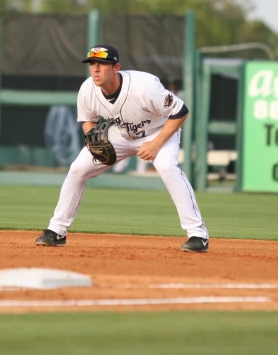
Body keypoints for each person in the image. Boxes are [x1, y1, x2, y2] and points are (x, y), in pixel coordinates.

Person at [35, 44, 210, 252]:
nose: (96, 69)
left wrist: (156, 144)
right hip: (119, 134)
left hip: (158, 131)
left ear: (116, 67)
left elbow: (181, 111)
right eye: (92, 64)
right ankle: (56, 231)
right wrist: (92, 140)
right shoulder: (88, 89)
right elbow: (87, 122)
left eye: (102, 64)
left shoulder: (144, 85)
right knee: (77, 169)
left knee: (167, 167)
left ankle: (198, 234)